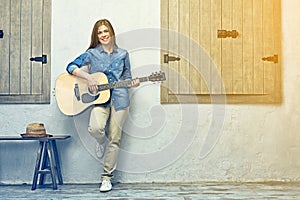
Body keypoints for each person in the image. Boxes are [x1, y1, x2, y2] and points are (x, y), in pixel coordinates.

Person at [66, 19, 139, 192]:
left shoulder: (123, 54)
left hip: (120, 99)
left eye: (106, 31)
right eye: (100, 32)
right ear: (96, 36)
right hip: (99, 99)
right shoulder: (92, 54)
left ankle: (106, 177)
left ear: (111, 32)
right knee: (95, 128)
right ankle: (100, 141)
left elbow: (127, 77)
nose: (104, 35)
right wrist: (88, 78)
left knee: (115, 138)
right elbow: (70, 66)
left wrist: (133, 83)